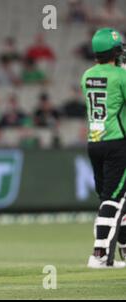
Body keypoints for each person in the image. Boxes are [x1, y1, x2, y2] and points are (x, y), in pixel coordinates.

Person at [80, 28, 126, 268]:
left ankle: (124, 250)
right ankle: (99, 255)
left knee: (112, 199)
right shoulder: (121, 76)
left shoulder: (87, 75)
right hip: (117, 142)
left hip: (94, 142)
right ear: (115, 52)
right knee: (114, 199)